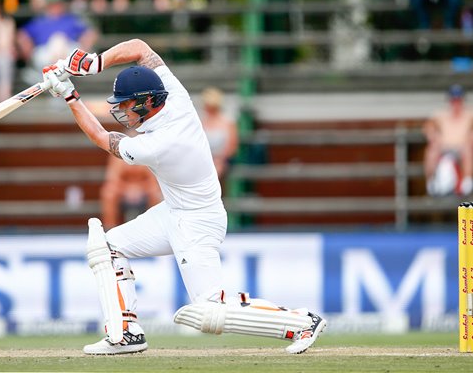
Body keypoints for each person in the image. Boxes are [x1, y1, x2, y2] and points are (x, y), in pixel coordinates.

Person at [40, 39, 326, 355]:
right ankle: (126, 333)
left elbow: (102, 138)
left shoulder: (160, 143)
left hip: (198, 221)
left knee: (209, 311)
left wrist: (69, 95)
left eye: (124, 104)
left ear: (146, 102)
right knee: (107, 248)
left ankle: (302, 322)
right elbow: (140, 48)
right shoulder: (175, 95)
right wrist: (95, 63)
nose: (121, 110)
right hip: (173, 212)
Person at [17, 0, 98, 81]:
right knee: (55, 42)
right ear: (47, 4)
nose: (55, 6)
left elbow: (91, 32)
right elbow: (21, 34)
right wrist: (27, 53)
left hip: (68, 52)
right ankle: (53, 78)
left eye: (58, 3)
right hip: (45, 53)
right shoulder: (40, 21)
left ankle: (53, 78)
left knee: (59, 40)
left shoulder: (71, 19)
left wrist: (84, 46)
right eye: (52, 3)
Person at [423, 84, 473, 196]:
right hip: (445, 151)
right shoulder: (441, 115)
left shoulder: (469, 114)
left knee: (466, 203)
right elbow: (428, 125)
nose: (456, 104)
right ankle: (431, 182)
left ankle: (467, 183)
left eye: (458, 100)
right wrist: (433, 135)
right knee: (432, 151)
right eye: (453, 100)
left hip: (462, 151)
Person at [101, 151, 161, 230]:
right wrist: (128, 189)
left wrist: (138, 188)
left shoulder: (148, 152)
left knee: (155, 192)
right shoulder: (118, 153)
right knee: (108, 193)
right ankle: (109, 229)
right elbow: (112, 179)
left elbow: (154, 180)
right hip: (123, 190)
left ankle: (156, 229)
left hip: (144, 189)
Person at [200, 87, 238, 179]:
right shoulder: (201, 121)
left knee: (215, 171)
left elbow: (232, 146)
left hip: (222, 160)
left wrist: (220, 159)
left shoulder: (228, 122)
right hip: (204, 159)